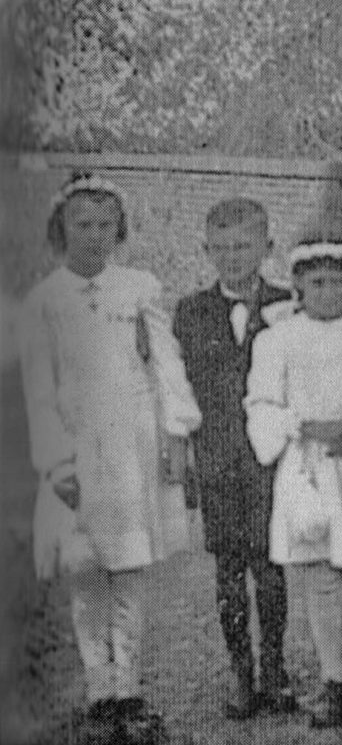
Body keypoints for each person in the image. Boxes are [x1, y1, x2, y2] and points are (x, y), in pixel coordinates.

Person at [20, 174, 202, 743]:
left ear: (118, 230)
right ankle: (99, 691)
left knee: (128, 572)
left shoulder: (139, 287)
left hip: (131, 449)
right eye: (83, 225)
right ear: (62, 229)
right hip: (78, 454)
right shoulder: (45, 300)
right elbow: (38, 390)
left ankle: (129, 690)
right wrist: (57, 464)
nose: (95, 237)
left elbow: (165, 365)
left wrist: (176, 435)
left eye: (105, 225)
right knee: (88, 576)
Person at [244, 229, 342, 729]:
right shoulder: (277, 338)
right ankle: (333, 679)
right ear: (298, 286)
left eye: (338, 282)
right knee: (318, 577)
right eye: (317, 283)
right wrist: (303, 426)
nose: (328, 292)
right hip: (306, 467)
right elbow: (262, 404)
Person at [173, 198, 296, 720]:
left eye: (243, 245)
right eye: (220, 248)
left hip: (271, 459)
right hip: (219, 460)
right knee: (229, 569)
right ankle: (241, 674)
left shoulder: (290, 305)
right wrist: (184, 454)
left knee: (271, 567)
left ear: (268, 247)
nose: (232, 257)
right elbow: (178, 391)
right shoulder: (190, 311)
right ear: (205, 251)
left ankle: (275, 669)